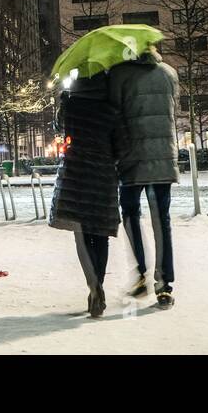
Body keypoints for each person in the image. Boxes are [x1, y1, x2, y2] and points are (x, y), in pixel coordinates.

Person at [108, 44, 180, 308]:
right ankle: (164, 284)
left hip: (131, 159)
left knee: (130, 213)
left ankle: (140, 272)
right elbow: (175, 111)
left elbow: (113, 115)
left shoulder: (118, 75)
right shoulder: (169, 73)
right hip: (162, 157)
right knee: (162, 220)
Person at [48, 70, 123, 318]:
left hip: (76, 175)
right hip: (103, 177)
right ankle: (98, 286)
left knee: (82, 237)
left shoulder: (71, 104)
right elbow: (120, 145)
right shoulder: (111, 108)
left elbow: (59, 128)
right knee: (100, 235)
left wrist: (63, 100)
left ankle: (94, 286)